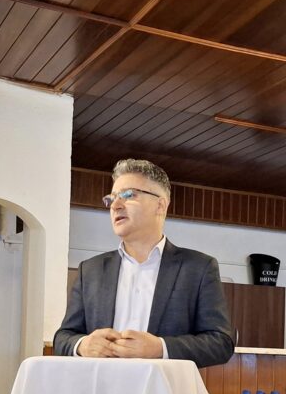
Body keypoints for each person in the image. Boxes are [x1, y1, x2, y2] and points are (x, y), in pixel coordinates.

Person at [53, 158, 234, 368]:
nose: (115, 206)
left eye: (128, 195)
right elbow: (63, 337)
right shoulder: (91, 270)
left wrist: (160, 348)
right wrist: (83, 345)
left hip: (162, 388)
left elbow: (221, 342)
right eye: (112, 198)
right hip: (99, 386)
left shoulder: (198, 268)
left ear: (160, 205)